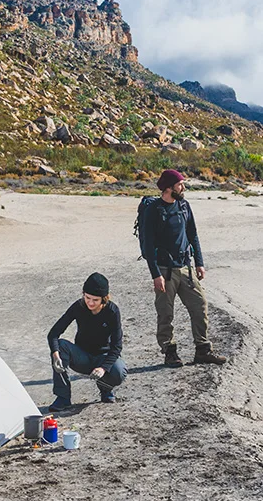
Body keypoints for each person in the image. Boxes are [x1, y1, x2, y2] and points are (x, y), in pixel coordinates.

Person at [144, 169, 226, 368]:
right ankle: (169, 352)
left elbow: (193, 235)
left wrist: (199, 262)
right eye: (180, 184)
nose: (183, 187)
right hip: (164, 270)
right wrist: (156, 274)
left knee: (200, 305)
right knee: (166, 313)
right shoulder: (153, 210)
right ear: (168, 188)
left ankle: (203, 350)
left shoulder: (184, 205)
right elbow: (146, 245)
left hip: (185, 268)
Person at [47, 272, 127, 412]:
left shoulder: (112, 311)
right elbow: (53, 334)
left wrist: (103, 368)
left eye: (95, 300)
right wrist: (55, 355)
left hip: (103, 357)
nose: (90, 303)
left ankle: (105, 389)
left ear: (104, 299)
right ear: (83, 294)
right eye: (87, 297)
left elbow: (117, 346)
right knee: (60, 345)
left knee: (119, 372)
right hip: (82, 357)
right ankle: (63, 397)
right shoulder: (78, 306)